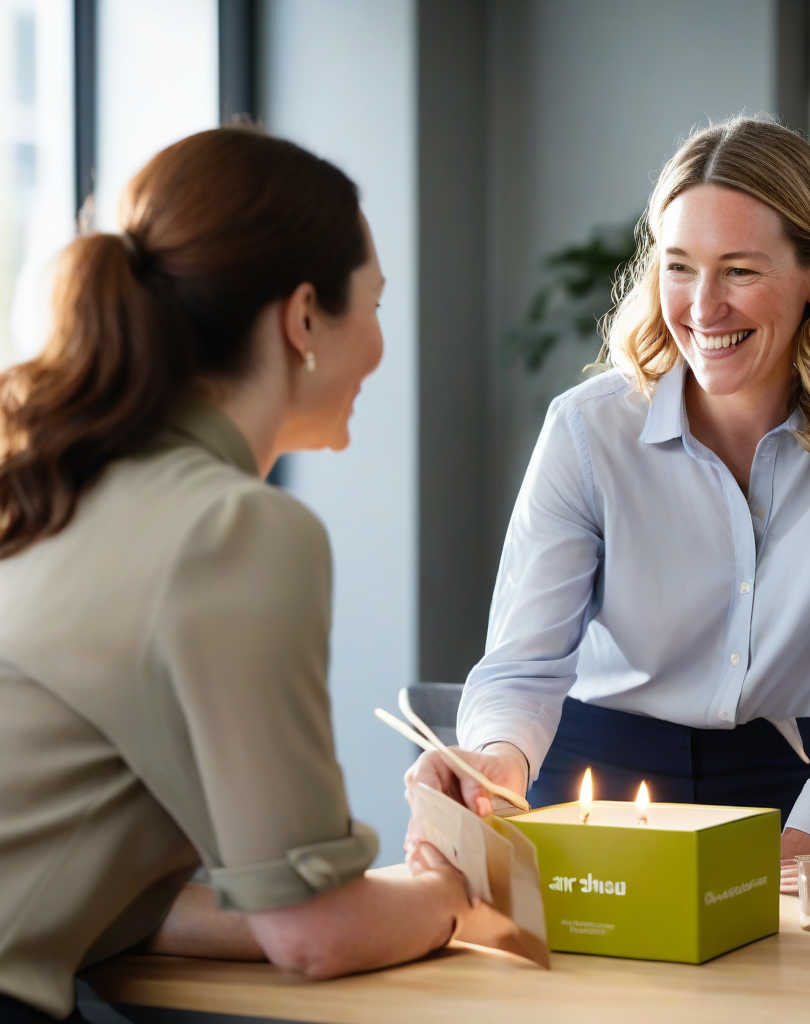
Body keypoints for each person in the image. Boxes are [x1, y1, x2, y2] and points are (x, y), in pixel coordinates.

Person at [0, 127, 469, 1024]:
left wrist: (377, 902)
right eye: (373, 305)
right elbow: (317, 934)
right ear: (302, 319)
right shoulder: (234, 529)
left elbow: (136, 909)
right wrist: (458, 895)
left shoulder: (53, 479)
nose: (378, 346)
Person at [408, 117, 810, 868]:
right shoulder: (588, 429)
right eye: (678, 266)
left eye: (739, 270)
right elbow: (523, 664)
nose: (704, 308)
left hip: (806, 781)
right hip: (594, 777)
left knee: (808, 986)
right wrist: (498, 760)